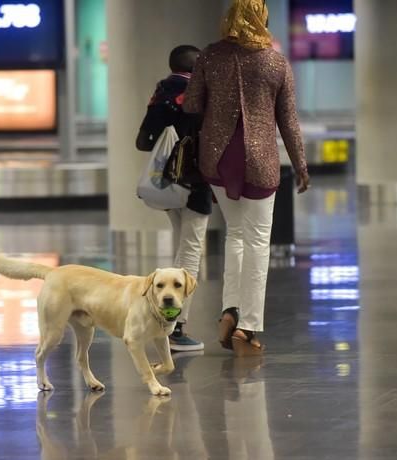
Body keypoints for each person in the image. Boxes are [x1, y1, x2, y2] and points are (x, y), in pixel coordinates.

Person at [183, 0, 310, 356]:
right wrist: (300, 165)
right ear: (262, 17)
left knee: (235, 233)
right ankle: (248, 324)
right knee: (257, 240)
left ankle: (230, 308)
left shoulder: (210, 56)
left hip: (219, 159)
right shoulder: (274, 62)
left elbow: (192, 105)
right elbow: (288, 121)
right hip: (260, 161)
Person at [136, 45, 212, 352]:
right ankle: (176, 326)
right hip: (195, 180)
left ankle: (164, 321)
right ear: (197, 67)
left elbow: (143, 141)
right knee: (191, 249)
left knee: (182, 242)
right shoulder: (199, 94)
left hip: (167, 182)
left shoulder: (161, 94)